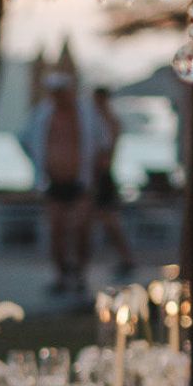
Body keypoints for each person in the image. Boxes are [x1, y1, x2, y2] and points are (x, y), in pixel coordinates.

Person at [20, 64, 97, 295]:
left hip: (80, 182)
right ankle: (61, 275)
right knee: (57, 230)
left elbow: (104, 141)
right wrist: (39, 164)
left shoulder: (85, 114)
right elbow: (24, 138)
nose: (58, 96)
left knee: (82, 228)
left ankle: (80, 273)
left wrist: (98, 168)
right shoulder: (43, 114)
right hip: (53, 181)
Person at [85, 87, 134, 276]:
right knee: (97, 220)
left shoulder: (109, 121)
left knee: (109, 220)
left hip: (102, 176)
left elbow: (106, 152)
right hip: (99, 175)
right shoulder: (100, 121)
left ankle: (126, 258)